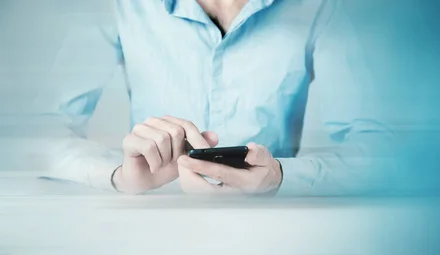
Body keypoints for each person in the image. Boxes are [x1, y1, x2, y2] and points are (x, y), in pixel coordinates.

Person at [42, 0, 394, 196]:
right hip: (148, 232)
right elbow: (42, 134)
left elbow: (380, 156)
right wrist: (119, 176)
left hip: (276, 234)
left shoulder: (319, 9)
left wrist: (280, 177)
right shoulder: (120, 6)